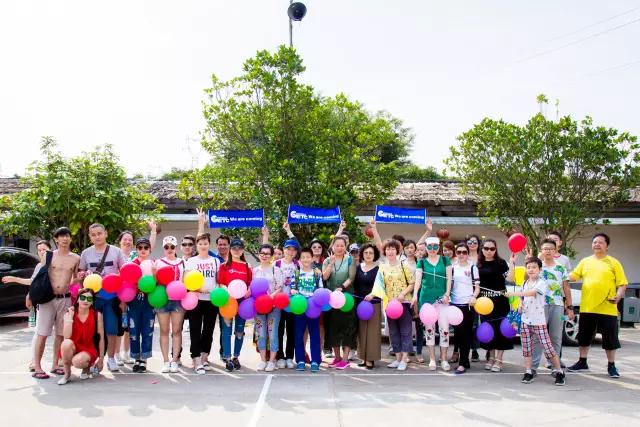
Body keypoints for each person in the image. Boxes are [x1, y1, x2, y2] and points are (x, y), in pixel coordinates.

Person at [567, 233, 628, 378]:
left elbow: (622, 284)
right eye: (594, 242)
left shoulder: (613, 262)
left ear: (607, 246)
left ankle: (611, 365)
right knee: (584, 337)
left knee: (610, 339)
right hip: (588, 307)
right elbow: (572, 276)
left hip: (607, 308)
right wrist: (557, 273)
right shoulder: (585, 261)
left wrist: (618, 296)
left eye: (600, 242)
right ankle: (582, 362)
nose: (597, 244)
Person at [506, 257, 566, 386]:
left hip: (538, 321)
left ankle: (559, 371)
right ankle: (528, 372)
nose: (531, 270)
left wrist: (513, 294)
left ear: (539, 269)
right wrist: (520, 304)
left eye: (534, 267)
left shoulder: (542, 283)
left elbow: (532, 293)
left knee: (549, 348)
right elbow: (523, 298)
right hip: (525, 321)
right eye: (528, 267)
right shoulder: (525, 283)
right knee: (527, 349)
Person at [30, 227, 80, 379]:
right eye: (61, 236)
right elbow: (38, 278)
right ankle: (38, 367)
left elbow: (75, 280)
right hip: (47, 299)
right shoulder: (49, 255)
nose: (65, 238)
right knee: (42, 334)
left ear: (70, 239)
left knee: (60, 334)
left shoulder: (76, 258)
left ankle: (55, 365)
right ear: (56, 239)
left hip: (65, 298)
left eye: (67, 236)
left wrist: (81, 277)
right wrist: (30, 295)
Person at [78, 223, 126, 373]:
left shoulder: (116, 251)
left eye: (100, 233)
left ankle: (111, 359)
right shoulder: (86, 253)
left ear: (106, 233)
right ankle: (93, 359)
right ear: (90, 237)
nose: (97, 236)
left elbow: (124, 274)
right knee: (92, 331)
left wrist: (123, 300)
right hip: (93, 298)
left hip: (111, 298)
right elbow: (81, 275)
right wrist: (83, 276)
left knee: (111, 330)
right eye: (93, 235)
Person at [3, 240, 52, 373]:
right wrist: (17, 281)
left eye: (44, 249)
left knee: (59, 333)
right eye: (39, 250)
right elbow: (33, 282)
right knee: (39, 333)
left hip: (58, 301)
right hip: (42, 302)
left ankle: (58, 362)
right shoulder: (38, 266)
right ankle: (34, 362)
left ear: (51, 249)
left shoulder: (55, 262)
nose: (42, 252)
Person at [370, 239, 414, 371]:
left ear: (397, 251)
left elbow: (412, 283)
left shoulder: (403, 265)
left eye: (393, 249)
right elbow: (378, 286)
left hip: (404, 303)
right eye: (388, 249)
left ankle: (404, 359)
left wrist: (402, 294)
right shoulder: (382, 267)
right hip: (390, 305)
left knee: (406, 331)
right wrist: (372, 295)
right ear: (384, 251)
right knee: (393, 332)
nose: (390, 251)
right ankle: (398, 358)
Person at [532, 239, 572, 374]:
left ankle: (555, 366)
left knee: (555, 337)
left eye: (551, 249)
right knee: (537, 336)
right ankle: (532, 367)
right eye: (545, 248)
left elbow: (566, 287)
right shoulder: (537, 267)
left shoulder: (560, 268)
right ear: (541, 251)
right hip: (539, 306)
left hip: (557, 305)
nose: (548, 251)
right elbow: (527, 281)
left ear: (555, 251)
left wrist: (569, 307)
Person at [413, 237, 452, 371]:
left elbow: (449, 280)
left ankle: (444, 359)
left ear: (439, 247)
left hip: (442, 299)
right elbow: (417, 282)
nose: (432, 250)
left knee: (444, 330)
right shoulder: (421, 263)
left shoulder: (446, 260)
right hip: (426, 300)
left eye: (435, 247)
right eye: (430, 247)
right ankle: (432, 359)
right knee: (429, 330)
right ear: (426, 247)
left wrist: (447, 294)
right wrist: (414, 296)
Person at [185, 233, 221, 374]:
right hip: (196, 299)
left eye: (205, 243)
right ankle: (196, 359)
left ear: (209, 244)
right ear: (197, 245)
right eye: (200, 243)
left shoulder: (215, 261)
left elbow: (218, 280)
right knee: (195, 329)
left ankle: (205, 358)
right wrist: (199, 289)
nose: (203, 246)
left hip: (212, 300)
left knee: (208, 330)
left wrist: (218, 289)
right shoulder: (191, 261)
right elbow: (187, 281)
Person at [476, 238, 513, 372]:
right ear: (482, 249)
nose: (489, 251)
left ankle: (499, 360)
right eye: (486, 248)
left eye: (492, 249)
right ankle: (491, 358)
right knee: (488, 331)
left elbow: (510, 279)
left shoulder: (501, 263)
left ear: (495, 250)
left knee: (501, 331)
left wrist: (512, 263)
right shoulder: (478, 265)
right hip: (484, 303)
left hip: (500, 303)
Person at [57, 288, 105, 385]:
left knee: (77, 361)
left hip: (89, 349)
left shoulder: (97, 315)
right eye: (83, 297)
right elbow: (66, 336)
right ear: (78, 299)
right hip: (74, 347)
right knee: (66, 344)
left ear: (92, 302)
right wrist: (69, 318)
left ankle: (86, 368)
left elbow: (101, 338)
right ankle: (67, 374)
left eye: (89, 299)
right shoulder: (69, 313)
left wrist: (101, 359)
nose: (85, 301)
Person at [218, 237, 252, 372]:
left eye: (239, 248)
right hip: (228, 301)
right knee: (226, 330)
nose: (237, 250)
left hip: (242, 303)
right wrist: (226, 290)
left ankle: (236, 356)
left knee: (239, 331)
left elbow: (250, 284)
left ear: (243, 250)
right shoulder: (224, 266)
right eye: (234, 248)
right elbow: (220, 282)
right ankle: (226, 357)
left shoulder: (246, 266)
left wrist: (249, 291)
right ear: (230, 249)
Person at [322, 236, 357, 370]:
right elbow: (325, 277)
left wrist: (342, 288)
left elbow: (351, 277)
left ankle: (345, 359)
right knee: (332, 329)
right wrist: (330, 264)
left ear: (345, 246)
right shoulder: (326, 260)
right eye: (337, 245)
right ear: (333, 247)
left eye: (342, 245)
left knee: (347, 328)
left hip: (346, 298)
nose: (340, 248)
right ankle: (337, 358)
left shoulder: (350, 260)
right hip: (331, 299)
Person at [291, 247, 324, 372]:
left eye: (308, 257)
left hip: (313, 308)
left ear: (312, 258)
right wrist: (293, 291)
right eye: (303, 257)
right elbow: (292, 287)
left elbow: (320, 289)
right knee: (298, 334)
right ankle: (300, 360)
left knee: (314, 334)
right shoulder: (296, 273)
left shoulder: (317, 273)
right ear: (299, 259)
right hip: (299, 308)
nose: (305, 259)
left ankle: (315, 360)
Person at [126, 238, 156, 373]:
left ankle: (144, 359)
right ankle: (136, 358)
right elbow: (126, 283)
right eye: (140, 248)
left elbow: (159, 283)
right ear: (136, 250)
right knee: (134, 330)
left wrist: (154, 276)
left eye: (146, 247)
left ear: (149, 250)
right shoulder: (131, 264)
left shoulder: (154, 264)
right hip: (134, 301)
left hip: (149, 301)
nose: (143, 250)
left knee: (147, 330)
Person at [252, 244, 283, 372]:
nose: (264, 255)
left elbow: (280, 287)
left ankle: (272, 361)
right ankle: (263, 360)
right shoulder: (255, 270)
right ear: (259, 254)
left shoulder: (276, 270)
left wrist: (270, 297)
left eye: (267, 254)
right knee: (261, 334)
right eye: (262, 253)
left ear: (271, 256)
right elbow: (252, 288)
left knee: (273, 333)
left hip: (273, 306)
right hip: (258, 307)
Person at [450, 243, 480, 374]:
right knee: (457, 334)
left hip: (468, 305)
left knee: (466, 334)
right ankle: (465, 360)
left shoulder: (473, 267)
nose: (461, 254)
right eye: (459, 252)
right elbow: (449, 286)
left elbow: (477, 287)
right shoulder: (452, 268)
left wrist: (473, 296)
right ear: (456, 253)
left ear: (468, 254)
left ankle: (462, 363)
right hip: (455, 304)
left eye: (464, 252)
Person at [354, 243, 381, 370]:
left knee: (372, 333)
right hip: (360, 304)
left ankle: (371, 359)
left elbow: (381, 286)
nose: (368, 255)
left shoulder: (379, 268)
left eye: (371, 253)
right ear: (362, 254)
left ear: (374, 255)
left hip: (374, 303)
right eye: (366, 253)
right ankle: (363, 358)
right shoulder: (358, 267)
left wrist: (372, 294)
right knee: (362, 331)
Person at [274, 238, 299, 369]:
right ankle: (279, 357)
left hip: (293, 302)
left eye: (293, 249)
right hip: (278, 301)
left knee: (291, 330)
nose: (290, 252)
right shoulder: (276, 263)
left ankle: (289, 357)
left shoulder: (298, 264)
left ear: (296, 252)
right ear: (284, 250)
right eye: (288, 249)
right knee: (278, 330)